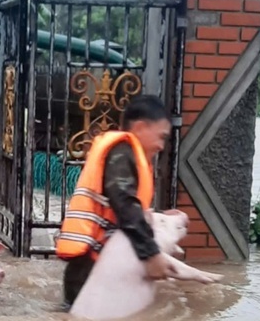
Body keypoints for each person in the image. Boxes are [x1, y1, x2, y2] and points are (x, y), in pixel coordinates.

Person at [55, 94, 174, 309]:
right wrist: (151, 254)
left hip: (95, 265)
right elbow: (125, 205)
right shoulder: (121, 153)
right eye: (161, 136)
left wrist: (160, 218)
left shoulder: (129, 156)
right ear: (139, 127)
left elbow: (124, 208)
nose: (161, 146)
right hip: (90, 269)